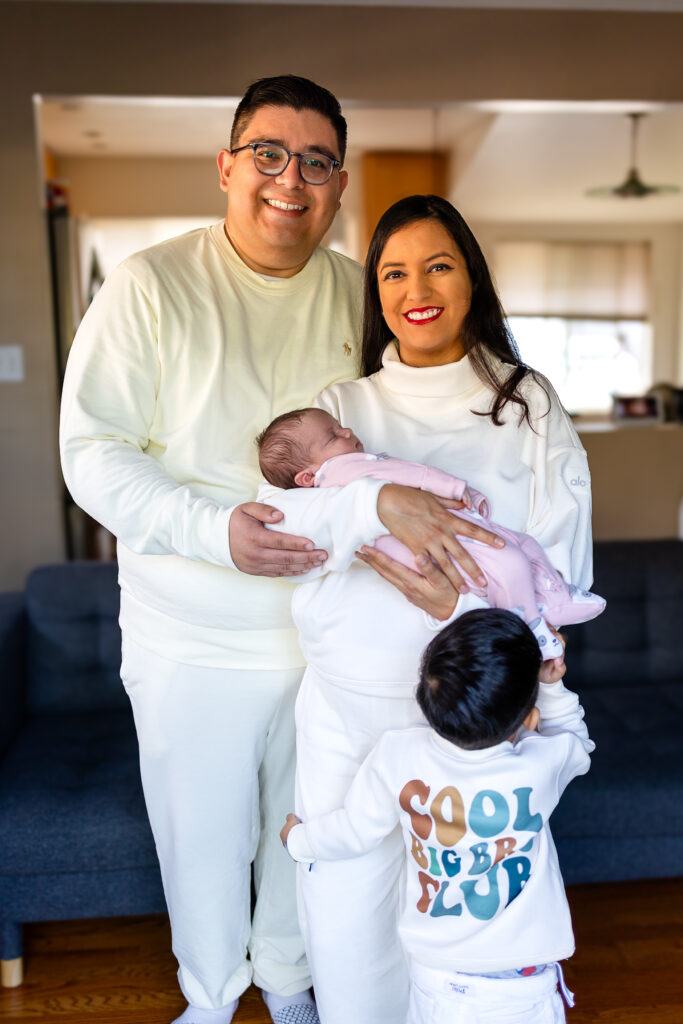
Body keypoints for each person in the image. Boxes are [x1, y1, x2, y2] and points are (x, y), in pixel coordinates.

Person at [59, 77, 497, 1024]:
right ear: (226, 166)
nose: (287, 179)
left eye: (315, 161)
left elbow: (422, 421)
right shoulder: (150, 285)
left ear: (339, 186)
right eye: (266, 153)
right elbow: (89, 453)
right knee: (203, 843)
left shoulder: (365, 294)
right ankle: (210, 1001)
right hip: (193, 640)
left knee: (311, 833)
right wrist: (212, 528)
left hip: (333, 641)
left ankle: (292, 987)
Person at [255, 194, 596, 1024]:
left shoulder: (526, 401)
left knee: (467, 909)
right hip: (349, 705)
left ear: (470, 279)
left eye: (437, 264)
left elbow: (558, 555)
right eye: (393, 271)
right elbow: (287, 528)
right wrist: (381, 507)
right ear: (375, 293)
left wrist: (462, 606)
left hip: (475, 712)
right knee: (349, 910)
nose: (417, 287)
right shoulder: (341, 408)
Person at [281, 609, 593, 1024]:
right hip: (521, 980)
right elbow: (577, 742)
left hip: (436, 977)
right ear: (527, 720)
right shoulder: (540, 765)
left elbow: (354, 831)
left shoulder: (398, 755)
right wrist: (551, 688)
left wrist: (299, 840)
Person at [256, 406, 605, 657]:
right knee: (511, 559)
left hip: (437, 540)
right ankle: (531, 625)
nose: (347, 432)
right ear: (306, 477)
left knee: (519, 549)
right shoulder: (340, 472)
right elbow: (412, 474)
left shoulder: (337, 485)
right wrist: (454, 487)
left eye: (340, 426)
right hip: (439, 543)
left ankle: (551, 597)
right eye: (334, 436)